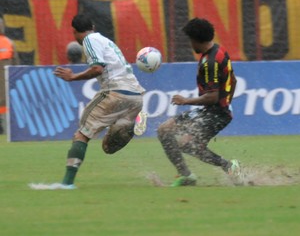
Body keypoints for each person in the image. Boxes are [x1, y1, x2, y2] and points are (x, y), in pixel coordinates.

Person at [30, 14, 147, 190]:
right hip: (136, 96)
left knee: (81, 134)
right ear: (92, 26)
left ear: (75, 32)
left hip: (115, 91)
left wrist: (73, 77)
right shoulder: (105, 40)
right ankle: (128, 126)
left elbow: (97, 69)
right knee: (107, 147)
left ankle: (67, 183)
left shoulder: (89, 41)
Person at [157, 18, 241, 187]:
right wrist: (227, 99)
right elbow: (234, 80)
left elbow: (212, 97)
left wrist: (185, 100)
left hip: (217, 113)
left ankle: (228, 166)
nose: (190, 44)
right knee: (164, 130)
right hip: (210, 110)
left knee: (188, 144)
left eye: (190, 40)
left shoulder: (210, 63)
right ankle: (186, 175)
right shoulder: (219, 50)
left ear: (196, 40)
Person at [0, 17, 19, 134]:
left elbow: (16, 66)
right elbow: (16, 66)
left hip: (6, 87)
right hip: (6, 88)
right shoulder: (10, 43)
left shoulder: (9, 43)